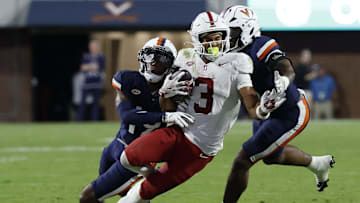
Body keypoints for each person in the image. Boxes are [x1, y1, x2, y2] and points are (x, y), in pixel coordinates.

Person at [116, 11, 286, 203]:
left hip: (199, 149)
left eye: (218, 38)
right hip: (176, 132)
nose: (214, 44)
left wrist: (264, 108)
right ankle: (152, 179)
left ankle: (150, 186)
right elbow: (168, 109)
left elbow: (253, 107)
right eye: (208, 39)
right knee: (127, 158)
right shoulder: (185, 58)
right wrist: (166, 92)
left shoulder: (238, 63)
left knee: (138, 196)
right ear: (197, 39)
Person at [220, 5, 335, 203]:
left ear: (246, 29)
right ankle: (318, 164)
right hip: (265, 111)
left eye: (232, 31)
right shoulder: (230, 56)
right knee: (272, 156)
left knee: (242, 161)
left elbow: (284, 65)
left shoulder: (261, 45)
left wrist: (285, 79)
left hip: (289, 113)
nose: (227, 36)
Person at [79, 37, 194, 203]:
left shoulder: (174, 89)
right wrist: (165, 116)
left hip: (139, 157)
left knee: (90, 197)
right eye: (150, 57)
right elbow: (127, 116)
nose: (154, 62)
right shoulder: (127, 80)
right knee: (102, 196)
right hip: (116, 146)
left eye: (160, 59)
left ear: (170, 65)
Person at [76, 39, 106, 121]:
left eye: (94, 46)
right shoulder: (86, 56)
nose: (93, 48)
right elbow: (82, 67)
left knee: (95, 104)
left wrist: (89, 67)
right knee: (83, 104)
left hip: (97, 83)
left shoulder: (101, 56)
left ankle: (94, 121)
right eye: (91, 46)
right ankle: (79, 121)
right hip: (87, 83)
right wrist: (92, 67)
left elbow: (100, 67)